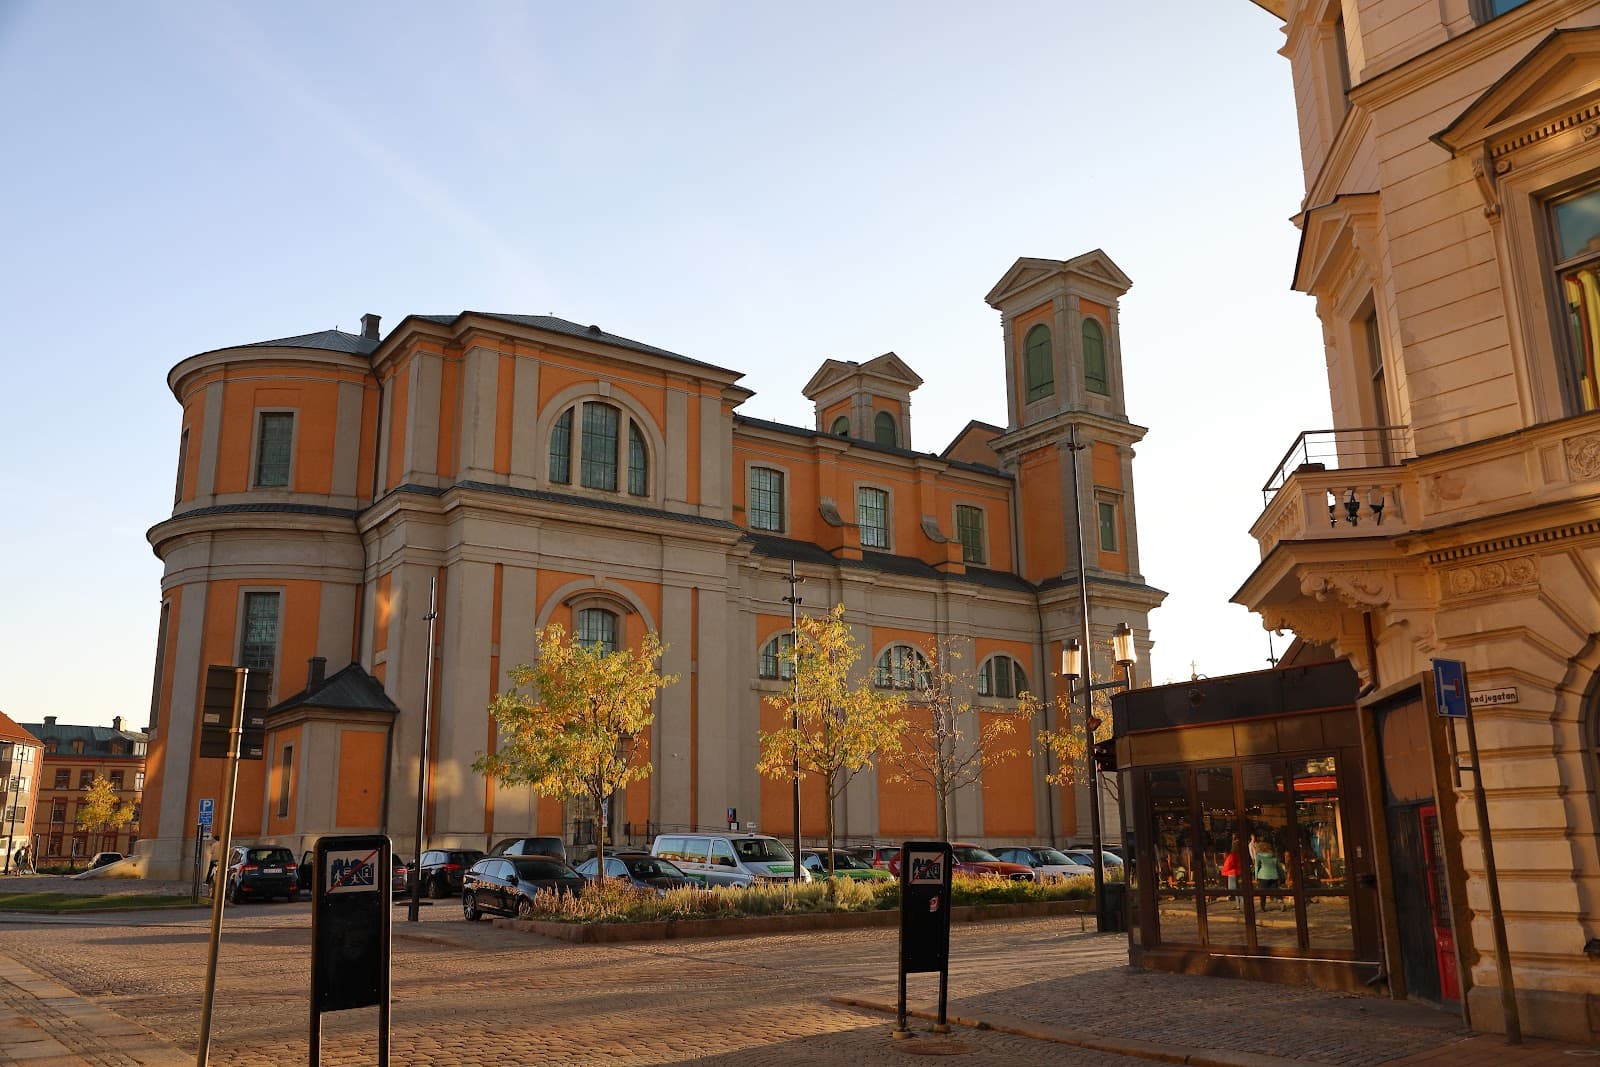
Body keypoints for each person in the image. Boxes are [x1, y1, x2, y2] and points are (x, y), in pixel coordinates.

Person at [1254, 838, 1282, 911]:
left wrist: (1256, 876)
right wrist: (1282, 876)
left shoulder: (1259, 856)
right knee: (1275, 891)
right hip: (1274, 875)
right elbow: (1279, 867)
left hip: (1263, 876)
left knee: (1262, 892)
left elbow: (1257, 866)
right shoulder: (1273, 856)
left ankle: (1262, 907)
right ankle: (1281, 902)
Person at [1220, 837, 1242, 902]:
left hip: (1231, 873)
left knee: (1234, 890)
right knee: (1238, 890)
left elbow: (1227, 865)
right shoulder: (1241, 855)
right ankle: (1239, 904)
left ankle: (1239, 904)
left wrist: (1223, 871)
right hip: (1238, 872)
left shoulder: (1232, 856)